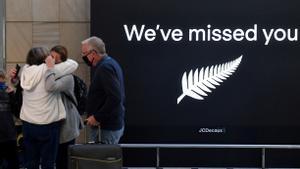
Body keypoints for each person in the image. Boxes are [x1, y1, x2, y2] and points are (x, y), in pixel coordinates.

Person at [19, 47, 78, 169]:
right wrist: (51, 64)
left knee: (31, 162)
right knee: (48, 163)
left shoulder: (25, 70)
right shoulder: (50, 69)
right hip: (48, 125)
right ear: (45, 58)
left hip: (28, 124)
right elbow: (73, 64)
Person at [81, 36, 125, 144]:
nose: (83, 56)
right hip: (107, 126)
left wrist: (97, 117)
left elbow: (115, 97)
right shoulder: (109, 63)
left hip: (105, 128)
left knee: (101, 160)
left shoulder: (105, 68)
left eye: (84, 53)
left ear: (93, 53)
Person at [46, 45, 83, 169]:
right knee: (56, 157)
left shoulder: (68, 78)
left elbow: (51, 86)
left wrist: (50, 69)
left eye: (53, 57)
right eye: (49, 55)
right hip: (55, 121)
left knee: (63, 158)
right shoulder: (51, 73)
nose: (50, 59)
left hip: (67, 123)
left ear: (61, 60)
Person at [0, 70, 18, 169]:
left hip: (9, 135)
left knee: (13, 163)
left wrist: (11, 95)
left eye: (2, 82)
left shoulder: (8, 92)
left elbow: (17, 112)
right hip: (8, 134)